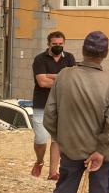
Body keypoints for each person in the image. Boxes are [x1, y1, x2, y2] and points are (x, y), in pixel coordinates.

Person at [25, 30, 109, 193]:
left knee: (63, 192)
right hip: (102, 154)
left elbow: (49, 115)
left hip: (70, 151)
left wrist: (65, 141)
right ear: (105, 54)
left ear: (83, 51)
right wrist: (99, 151)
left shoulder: (65, 76)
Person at [31, 31, 76, 180]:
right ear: (48, 44)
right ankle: (39, 161)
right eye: (54, 44)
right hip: (41, 105)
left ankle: (53, 173)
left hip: (62, 105)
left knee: (57, 139)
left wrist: (50, 75)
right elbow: (42, 82)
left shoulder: (69, 58)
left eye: (60, 44)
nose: (57, 46)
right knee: (41, 138)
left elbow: (73, 80)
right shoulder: (39, 59)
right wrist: (61, 78)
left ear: (64, 44)